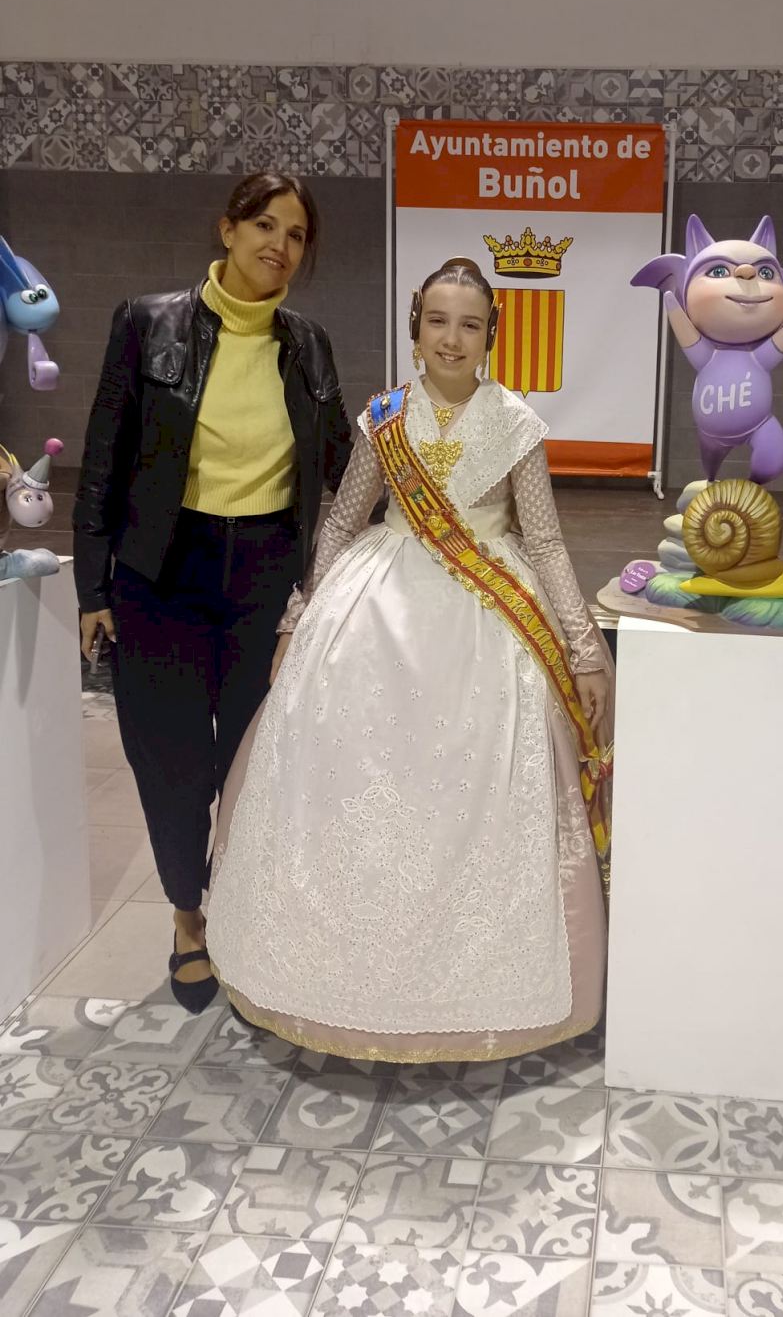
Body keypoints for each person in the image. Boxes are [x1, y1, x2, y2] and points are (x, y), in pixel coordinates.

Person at [205, 257, 614, 1062]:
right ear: (415, 329)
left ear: (492, 336)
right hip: (374, 614)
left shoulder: (517, 424)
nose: (452, 338)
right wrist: (299, 615)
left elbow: (546, 541)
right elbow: (342, 519)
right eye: (437, 321)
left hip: (488, 618)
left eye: (470, 324)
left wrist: (583, 644)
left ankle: (481, 992)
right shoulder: (384, 417)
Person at [73, 173, 351, 1012]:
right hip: (163, 574)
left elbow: (344, 463)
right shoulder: (146, 323)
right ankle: (188, 918)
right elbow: (103, 459)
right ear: (227, 229)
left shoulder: (308, 346)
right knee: (173, 763)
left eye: (295, 235)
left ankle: (246, 913)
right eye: (264, 225)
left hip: (266, 576)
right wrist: (92, 587)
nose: (279, 245)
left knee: (253, 764)